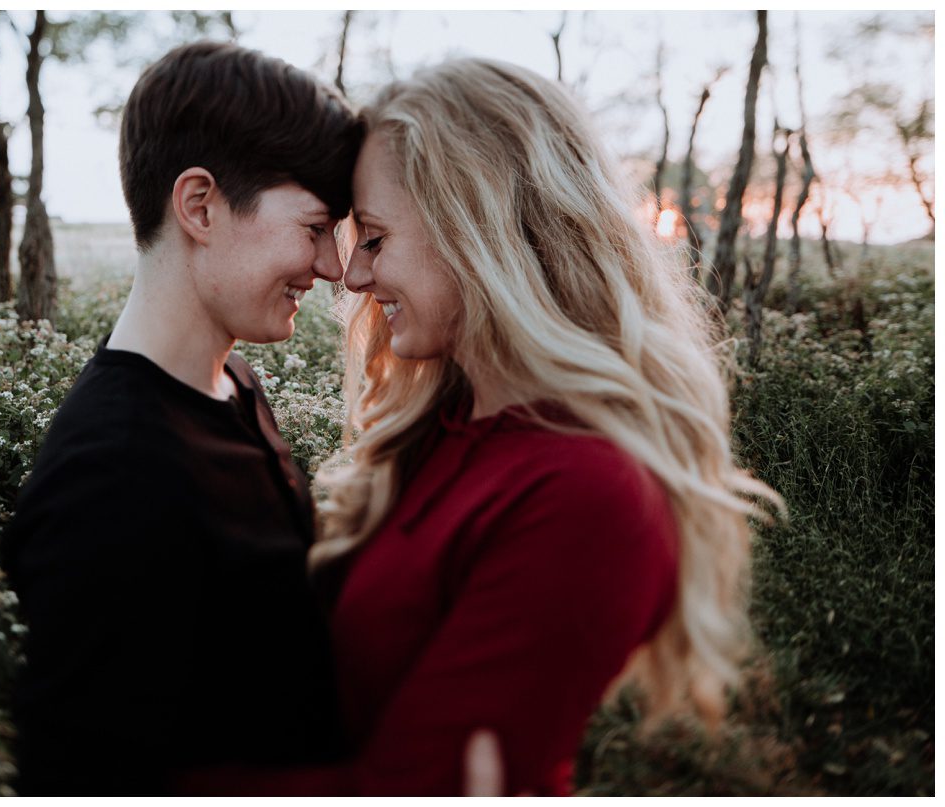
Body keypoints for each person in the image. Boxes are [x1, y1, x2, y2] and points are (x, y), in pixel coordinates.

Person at [175, 57, 783, 796]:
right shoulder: (448, 425)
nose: (355, 277)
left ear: (477, 231)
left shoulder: (588, 494)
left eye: (372, 237)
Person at [1, 41, 361, 795]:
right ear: (200, 205)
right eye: (314, 227)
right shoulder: (111, 472)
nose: (331, 267)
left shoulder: (233, 382)